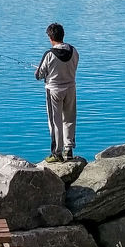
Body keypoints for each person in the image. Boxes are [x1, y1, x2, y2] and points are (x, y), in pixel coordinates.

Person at [34, 22, 79, 160]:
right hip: (70, 88)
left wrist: (43, 72)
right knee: (69, 119)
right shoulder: (74, 51)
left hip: (53, 90)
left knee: (55, 122)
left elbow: (38, 75)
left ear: (50, 38)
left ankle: (56, 153)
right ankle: (69, 150)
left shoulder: (49, 54)